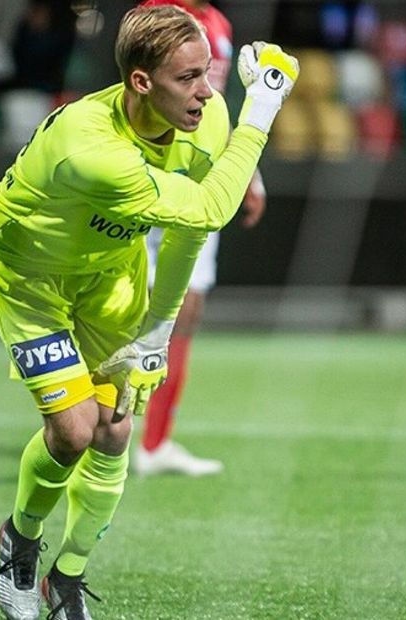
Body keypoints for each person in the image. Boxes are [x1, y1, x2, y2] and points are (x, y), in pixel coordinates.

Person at [0, 6, 299, 619]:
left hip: (110, 271)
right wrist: (262, 113)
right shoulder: (90, 147)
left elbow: (186, 237)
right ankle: (19, 541)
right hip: (31, 274)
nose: (206, 93)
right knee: (73, 431)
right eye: (188, 79)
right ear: (141, 83)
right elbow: (208, 209)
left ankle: (66, 579)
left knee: (116, 430)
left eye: (208, 74)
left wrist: (158, 330)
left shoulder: (202, 117)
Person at [134, 0, 267, 477]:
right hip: (152, 173)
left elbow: (218, 106)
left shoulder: (218, 23)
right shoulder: (153, 16)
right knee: (130, 304)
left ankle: (154, 443)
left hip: (203, 177)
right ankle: (98, 424)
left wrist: (247, 174)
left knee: (187, 307)